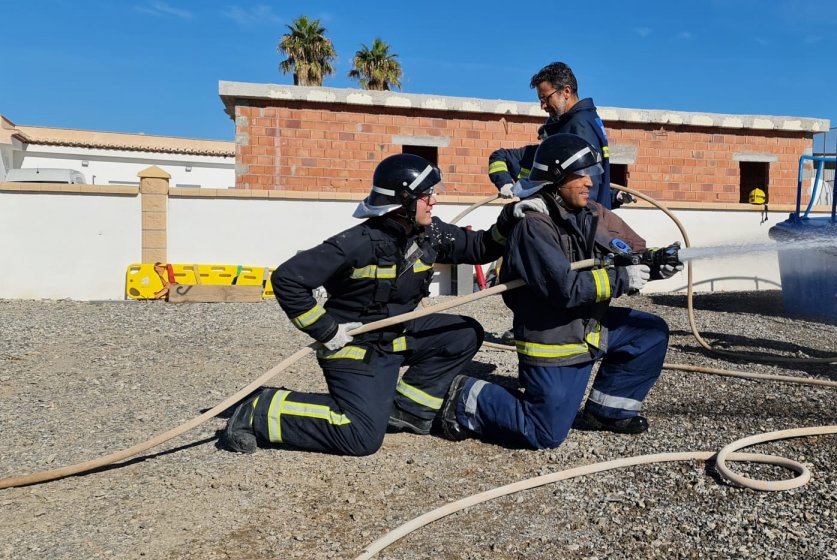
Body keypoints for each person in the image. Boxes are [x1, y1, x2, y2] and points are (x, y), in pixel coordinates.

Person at [221, 153, 533, 456]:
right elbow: (288, 279)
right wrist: (327, 330)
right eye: (427, 195)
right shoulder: (358, 243)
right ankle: (260, 410)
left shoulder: (428, 234)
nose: (434, 200)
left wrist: (510, 219)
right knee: (360, 436)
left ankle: (409, 410)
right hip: (354, 345)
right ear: (404, 202)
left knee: (463, 333)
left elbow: (479, 247)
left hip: (393, 336)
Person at [439, 133, 682, 449]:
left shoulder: (591, 212)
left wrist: (653, 263)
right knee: (544, 433)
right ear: (555, 177)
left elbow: (632, 247)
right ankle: (462, 396)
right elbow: (563, 289)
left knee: (650, 333)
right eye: (579, 175)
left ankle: (608, 411)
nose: (589, 183)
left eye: (590, 174)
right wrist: (625, 276)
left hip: (587, 326)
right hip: (553, 339)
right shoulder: (533, 225)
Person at [525, 61, 633, 209]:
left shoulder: (579, 125)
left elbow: (587, 186)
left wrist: (581, 222)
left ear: (566, 92)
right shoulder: (587, 119)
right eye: (541, 100)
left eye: (546, 98)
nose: (543, 106)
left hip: (581, 222)